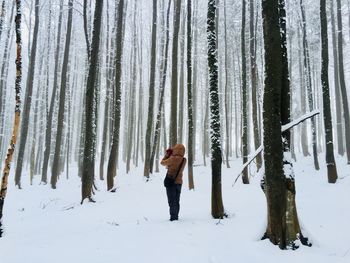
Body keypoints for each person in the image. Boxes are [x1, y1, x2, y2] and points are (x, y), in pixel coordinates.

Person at [160, 144, 187, 221]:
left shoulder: (172, 158)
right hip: (179, 182)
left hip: (171, 182)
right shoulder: (184, 160)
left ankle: (173, 217)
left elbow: (162, 163)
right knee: (177, 200)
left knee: (171, 200)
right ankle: (176, 215)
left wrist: (167, 155)